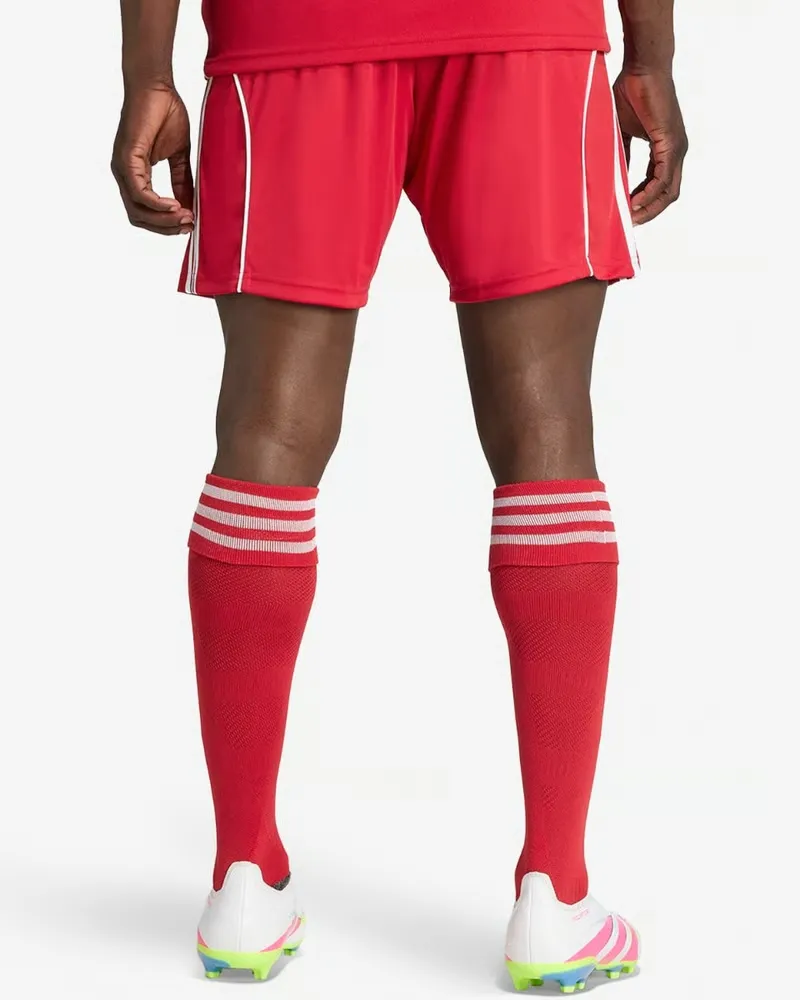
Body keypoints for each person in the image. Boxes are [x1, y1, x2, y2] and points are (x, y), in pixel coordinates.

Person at [112, 0, 686, 989]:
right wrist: (652, 58)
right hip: (523, 31)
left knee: (265, 430)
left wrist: (148, 75)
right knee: (546, 430)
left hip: (288, 34)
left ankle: (243, 875)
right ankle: (553, 893)